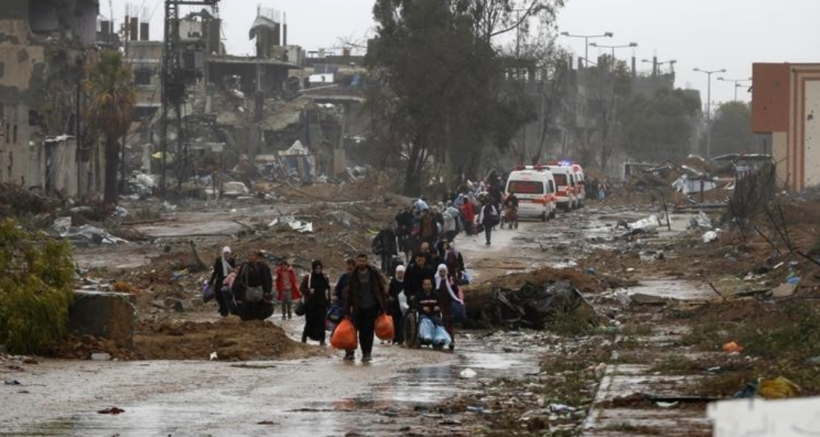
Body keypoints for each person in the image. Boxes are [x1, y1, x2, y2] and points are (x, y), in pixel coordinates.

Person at [343, 254, 388, 362]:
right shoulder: (353, 276)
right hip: (358, 308)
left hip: (371, 307)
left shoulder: (373, 274)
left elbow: (381, 289)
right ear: (357, 262)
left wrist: (383, 306)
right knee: (352, 331)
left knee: (368, 332)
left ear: (366, 261)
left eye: (363, 261)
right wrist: (347, 311)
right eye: (360, 261)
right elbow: (349, 294)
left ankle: (367, 353)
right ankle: (350, 352)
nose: (362, 263)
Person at [231, 250, 274, 321]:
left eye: (252, 255)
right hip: (246, 292)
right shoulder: (244, 266)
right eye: (249, 255)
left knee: (260, 309)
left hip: (259, 292)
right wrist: (236, 292)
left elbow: (267, 279)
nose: (250, 257)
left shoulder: (263, 267)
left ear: (256, 257)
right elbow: (239, 279)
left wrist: (267, 291)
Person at [300, 260, 330, 346]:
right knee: (309, 321)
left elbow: (327, 290)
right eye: (317, 268)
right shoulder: (308, 278)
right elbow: (301, 288)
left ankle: (322, 339)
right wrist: (309, 291)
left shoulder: (324, 277)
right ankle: (304, 338)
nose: (318, 270)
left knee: (321, 322)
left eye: (320, 268)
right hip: (311, 304)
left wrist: (328, 302)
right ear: (313, 268)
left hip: (321, 303)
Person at [435, 264, 463, 351]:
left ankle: (451, 341)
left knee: (449, 324)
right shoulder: (436, 280)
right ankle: (441, 340)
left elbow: (454, 292)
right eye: (441, 272)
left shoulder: (449, 280)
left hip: (448, 306)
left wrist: (452, 284)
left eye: (444, 271)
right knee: (440, 324)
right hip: (439, 306)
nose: (442, 273)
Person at [208, 246, 236, 317]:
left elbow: (233, 271)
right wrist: (211, 281)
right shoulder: (219, 260)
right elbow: (216, 272)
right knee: (218, 296)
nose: (226, 255)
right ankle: (222, 308)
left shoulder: (232, 261)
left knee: (225, 296)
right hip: (220, 280)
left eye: (227, 253)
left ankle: (225, 311)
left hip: (228, 281)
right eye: (225, 253)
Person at [388, 265, 407, 345]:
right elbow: (390, 292)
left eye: (402, 273)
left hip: (403, 304)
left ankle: (401, 337)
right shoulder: (393, 281)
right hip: (395, 305)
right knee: (395, 321)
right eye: (399, 273)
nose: (400, 275)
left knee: (402, 321)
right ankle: (395, 337)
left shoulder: (406, 282)